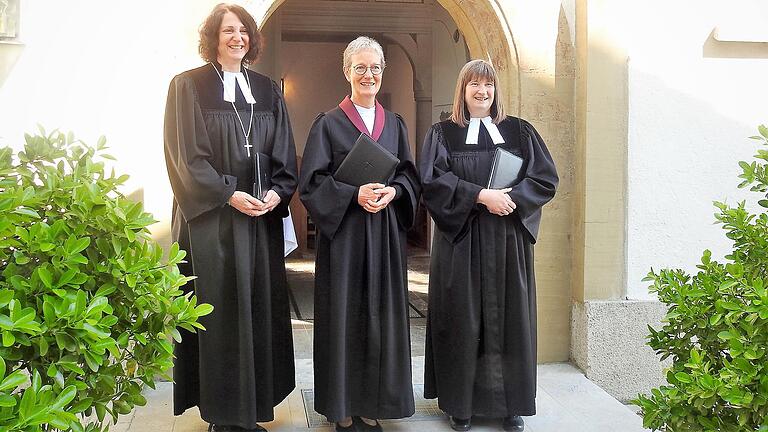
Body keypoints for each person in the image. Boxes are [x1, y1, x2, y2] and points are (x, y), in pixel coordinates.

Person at [163, 4, 298, 431]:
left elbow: (283, 152)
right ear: (212, 38)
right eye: (227, 31)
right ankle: (223, 414)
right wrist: (229, 194)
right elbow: (186, 159)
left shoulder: (268, 90)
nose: (236, 37)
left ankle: (253, 408)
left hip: (259, 223)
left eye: (243, 30)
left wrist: (277, 191)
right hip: (213, 225)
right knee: (219, 314)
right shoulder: (189, 87)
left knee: (257, 310)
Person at [418, 60, 558, 432]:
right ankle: (460, 405)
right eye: (474, 85)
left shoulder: (519, 131)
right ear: (462, 90)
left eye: (489, 85)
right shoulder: (443, 133)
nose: (482, 92)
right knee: (462, 318)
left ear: (496, 90)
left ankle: (510, 404)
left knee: (510, 319)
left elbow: (544, 178)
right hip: (462, 240)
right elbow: (432, 181)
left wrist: (510, 199)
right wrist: (480, 195)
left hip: (507, 240)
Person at [298, 36, 420, 431]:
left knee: (380, 318)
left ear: (382, 74)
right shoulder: (328, 123)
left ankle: (374, 404)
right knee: (345, 319)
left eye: (376, 68)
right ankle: (343, 409)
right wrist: (354, 194)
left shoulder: (395, 123)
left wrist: (395, 191)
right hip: (346, 240)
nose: (369, 75)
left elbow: (409, 176)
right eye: (361, 67)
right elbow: (311, 183)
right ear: (346, 72)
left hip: (383, 237)